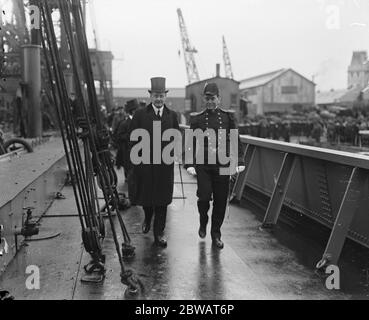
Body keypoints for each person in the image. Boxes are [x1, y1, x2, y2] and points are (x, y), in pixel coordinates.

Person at [184, 83, 245, 249]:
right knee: (203, 197)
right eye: (207, 98)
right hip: (203, 164)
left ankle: (216, 234)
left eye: (213, 98)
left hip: (223, 163)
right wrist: (189, 163)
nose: (210, 101)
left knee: (220, 200)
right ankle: (203, 221)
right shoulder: (196, 118)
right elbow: (190, 142)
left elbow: (234, 139)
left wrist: (239, 161)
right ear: (204, 99)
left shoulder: (228, 117)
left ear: (219, 98)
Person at [129, 77, 180, 248]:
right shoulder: (140, 115)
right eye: (156, 96)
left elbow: (176, 139)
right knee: (147, 199)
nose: (159, 99)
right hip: (145, 165)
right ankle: (148, 216)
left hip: (164, 167)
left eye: (161, 96)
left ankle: (159, 233)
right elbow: (133, 140)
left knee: (162, 200)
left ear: (165, 96)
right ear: (151, 96)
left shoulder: (172, 116)